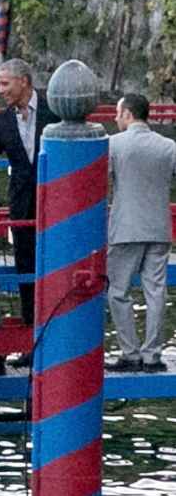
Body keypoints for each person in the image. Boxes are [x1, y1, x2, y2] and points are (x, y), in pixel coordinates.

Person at [0, 58, 60, 331]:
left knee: (58, 264)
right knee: (25, 268)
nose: (0, 89)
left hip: (56, 202)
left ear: (24, 81)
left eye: (5, 83)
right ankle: (32, 336)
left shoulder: (53, 107)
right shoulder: (3, 121)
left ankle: (58, 332)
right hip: (22, 205)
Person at [105, 94, 176, 373]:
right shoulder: (168, 146)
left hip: (125, 227)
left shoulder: (114, 145)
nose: (114, 117)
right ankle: (152, 355)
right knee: (156, 291)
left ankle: (129, 351)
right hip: (159, 227)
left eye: (117, 113)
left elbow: (105, 184)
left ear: (128, 114)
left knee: (118, 291)